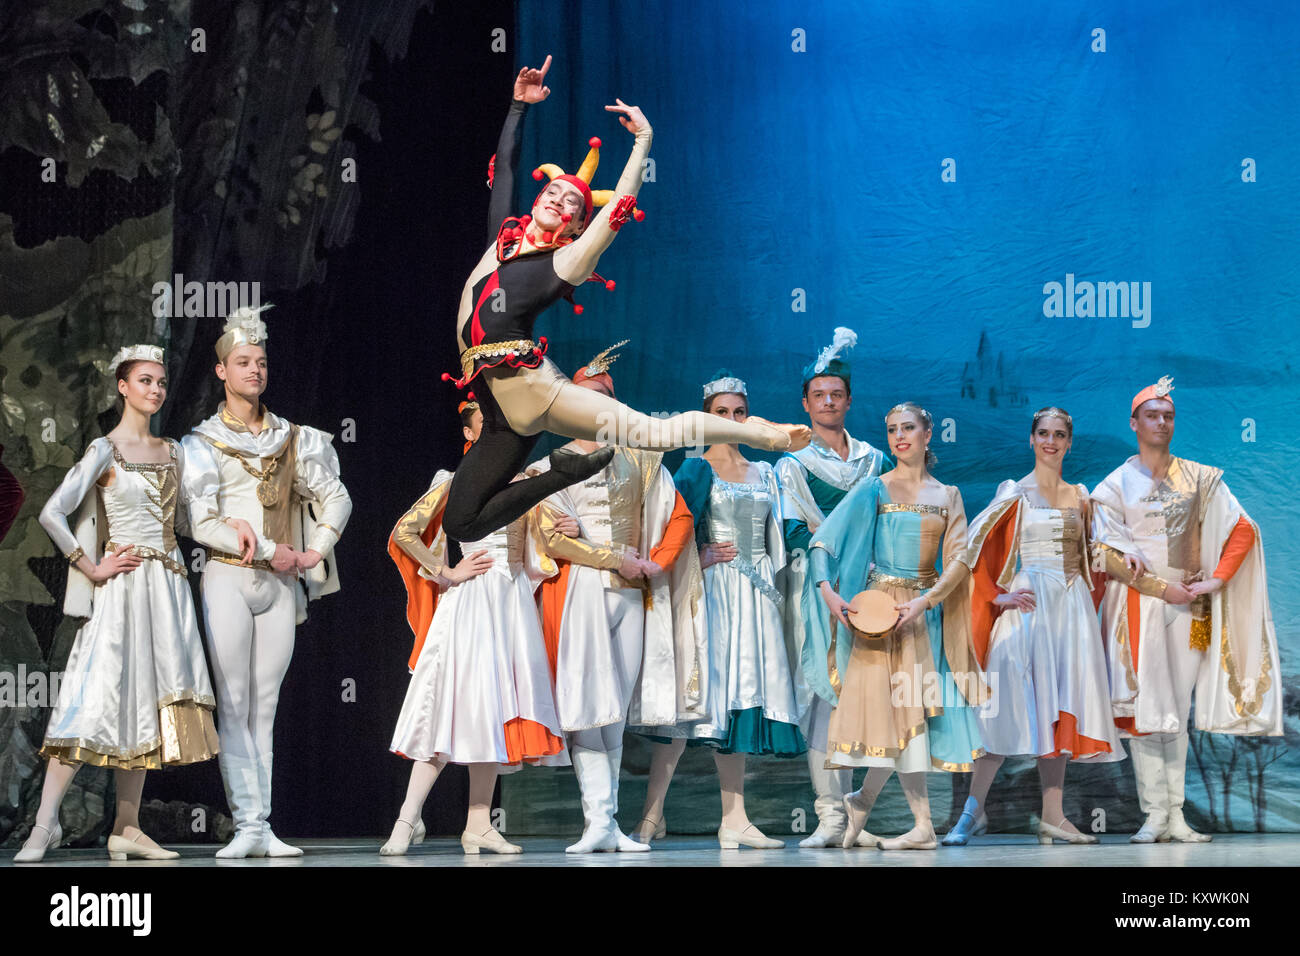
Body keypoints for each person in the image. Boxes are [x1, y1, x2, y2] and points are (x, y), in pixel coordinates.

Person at [439, 55, 809, 544]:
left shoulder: (566, 263)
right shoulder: (499, 240)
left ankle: (765, 435)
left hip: (534, 390)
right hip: (501, 412)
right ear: (537, 198)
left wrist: (643, 141)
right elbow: (504, 168)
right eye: (553, 191)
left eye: (572, 202)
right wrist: (517, 106)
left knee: (653, 434)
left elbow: (617, 208)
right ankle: (566, 473)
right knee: (461, 522)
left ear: (575, 225)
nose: (560, 200)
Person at [17, 346, 220, 863]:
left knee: (150, 703)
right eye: (145, 381)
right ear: (123, 388)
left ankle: (127, 827)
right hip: (121, 588)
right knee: (93, 695)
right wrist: (90, 565)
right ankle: (44, 824)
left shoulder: (175, 451)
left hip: (168, 587)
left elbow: (188, 523)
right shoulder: (104, 450)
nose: (155, 389)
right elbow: (51, 512)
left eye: (161, 382)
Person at [181, 308, 352, 858]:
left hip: (278, 587)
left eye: (260, 362)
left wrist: (312, 554)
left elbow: (337, 497)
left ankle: (263, 825)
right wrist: (275, 549)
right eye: (242, 363)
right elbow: (199, 521)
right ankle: (246, 825)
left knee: (266, 705)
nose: (254, 371)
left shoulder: (293, 437)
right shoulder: (202, 442)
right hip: (229, 578)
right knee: (233, 704)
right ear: (221, 372)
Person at [528, 346, 704, 853]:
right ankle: (597, 822)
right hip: (579, 591)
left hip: (630, 594)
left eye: (605, 397)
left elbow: (679, 517)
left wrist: (657, 562)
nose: (597, 404)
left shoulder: (643, 461)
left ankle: (609, 823)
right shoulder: (550, 467)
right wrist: (606, 554)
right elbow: (550, 536)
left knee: (616, 709)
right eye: (587, 397)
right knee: (588, 704)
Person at [1090, 377, 1281, 843]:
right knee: (1146, 712)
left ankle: (1174, 815)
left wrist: (1215, 580)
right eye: (1152, 415)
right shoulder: (1115, 485)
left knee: (1175, 709)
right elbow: (1105, 553)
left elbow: (1242, 529)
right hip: (1137, 607)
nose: (1161, 422)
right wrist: (1159, 588)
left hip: (1189, 610)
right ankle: (1154, 812)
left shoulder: (1199, 477)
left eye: (1168, 416)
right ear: (1134, 422)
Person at [382, 399, 567, 856]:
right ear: (469, 435)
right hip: (471, 605)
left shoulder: (524, 484)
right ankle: (407, 818)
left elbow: (544, 541)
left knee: (495, 713)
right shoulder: (455, 481)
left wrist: (562, 526)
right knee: (446, 709)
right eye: (486, 428)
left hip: (511, 605)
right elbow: (405, 531)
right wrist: (446, 572)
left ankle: (479, 824)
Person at [634, 373, 805, 850]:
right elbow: (670, 533)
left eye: (737, 413)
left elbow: (780, 535)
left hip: (757, 599)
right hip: (712, 595)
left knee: (738, 703)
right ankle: (651, 816)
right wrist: (699, 557)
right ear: (705, 417)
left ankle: (735, 819)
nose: (730, 420)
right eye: (720, 413)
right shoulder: (694, 470)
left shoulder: (766, 473)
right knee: (694, 705)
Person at [806, 403, 987, 851]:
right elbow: (822, 540)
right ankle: (895, 815)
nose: (899, 436)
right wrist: (830, 594)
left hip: (921, 617)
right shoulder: (875, 488)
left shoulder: (949, 496)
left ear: (928, 434)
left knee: (911, 719)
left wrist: (925, 603)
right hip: (877, 617)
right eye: (891, 430)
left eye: (908, 428)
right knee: (888, 719)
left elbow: (962, 560)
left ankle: (885, 811)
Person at [950, 406, 1123, 847]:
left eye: (1059, 434)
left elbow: (1096, 553)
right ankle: (973, 810)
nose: (1050, 441)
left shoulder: (1081, 496)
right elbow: (972, 550)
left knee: (1061, 702)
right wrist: (995, 595)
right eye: (1043, 433)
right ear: (1031, 439)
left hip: (1071, 606)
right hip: (1029, 602)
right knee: (1003, 704)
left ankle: (1053, 815)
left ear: (1069, 441)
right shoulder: (1015, 492)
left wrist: (1129, 560)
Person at [776, 328, 889, 848]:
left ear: (848, 401)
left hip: (870, 590)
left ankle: (856, 815)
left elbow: (893, 520)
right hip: (818, 590)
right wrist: (831, 567)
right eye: (818, 395)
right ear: (805, 402)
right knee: (823, 696)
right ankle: (829, 814)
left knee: (863, 697)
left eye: (836, 395)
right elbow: (793, 529)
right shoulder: (792, 464)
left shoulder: (873, 460)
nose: (827, 402)